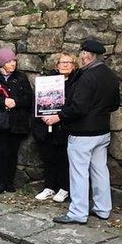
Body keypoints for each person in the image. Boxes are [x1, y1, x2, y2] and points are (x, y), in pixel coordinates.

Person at [44, 39, 121, 224]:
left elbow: (78, 107)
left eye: (81, 54)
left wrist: (57, 117)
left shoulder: (87, 77)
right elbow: (115, 104)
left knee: (79, 173)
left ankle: (78, 213)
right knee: (100, 171)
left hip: (83, 133)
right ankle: (103, 209)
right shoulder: (110, 75)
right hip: (102, 131)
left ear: (87, 56)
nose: (80, 57)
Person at [0, 47, 33, 194]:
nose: (13, 64)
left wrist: (15, 102)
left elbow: (28, 98)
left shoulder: (21, 78)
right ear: (2, 63)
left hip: (17, 122)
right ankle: (1, 182)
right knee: (1, 153)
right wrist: (3, 101)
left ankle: (10, 182)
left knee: (12, 153)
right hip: (0, 123)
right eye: (9, 61)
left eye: (14, 61)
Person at [32, 53, 76, 203]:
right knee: (48, 157)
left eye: (69, 62)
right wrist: (43, 115)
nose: (65, 65)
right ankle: (49, 187)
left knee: (64, 159)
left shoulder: (76, 83)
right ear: (56, 65)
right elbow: (38, 101)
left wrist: (59, 116)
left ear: (73, 66)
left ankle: (64, 189)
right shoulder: (47, 81)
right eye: (62, 62)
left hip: (65, 126)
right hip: (46, 126)